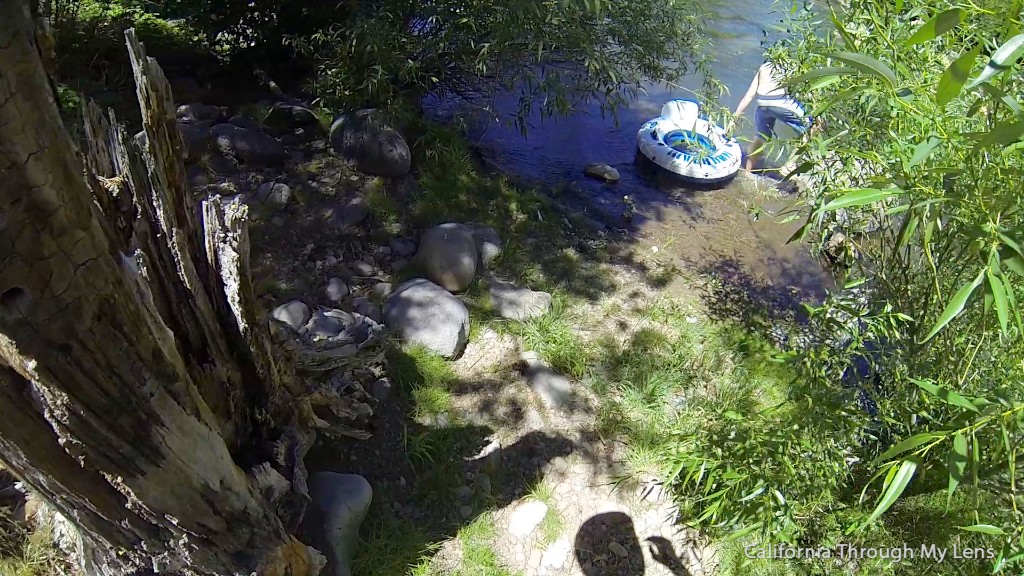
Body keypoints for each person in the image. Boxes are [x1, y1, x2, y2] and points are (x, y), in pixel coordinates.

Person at [731, 60, 814, 174]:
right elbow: (806, 91)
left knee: (760, 137)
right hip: (779, 101)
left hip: (762, 103)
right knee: (813, 127)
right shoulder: (793, 64)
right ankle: (790, 165)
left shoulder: (764, 66)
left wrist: (735, 118)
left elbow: (748, 96)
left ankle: (748, 171)